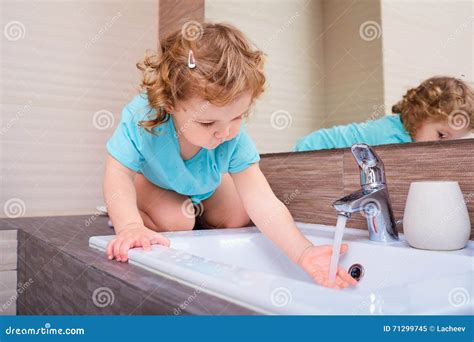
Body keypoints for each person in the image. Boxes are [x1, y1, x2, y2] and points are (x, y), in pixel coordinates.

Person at [103, 23, 357, 289]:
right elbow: (118, 171)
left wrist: (304, 252)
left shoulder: (232, 134)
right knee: (179, 219)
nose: (224, 132)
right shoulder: (144, 118)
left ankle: (193, 209)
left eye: (237, 116)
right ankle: (132, 211)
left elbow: (262, 199)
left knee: (238, 214)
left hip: (200, 186)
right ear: (170, 103)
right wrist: (128, 225)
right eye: (207, 123)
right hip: (154, 184)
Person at [294, 76, 473, 151]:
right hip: (312, 148)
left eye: (454, 142)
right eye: (441, 135)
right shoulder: (392, 139)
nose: (444, 149)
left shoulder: (410, 136)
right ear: (419, 116)